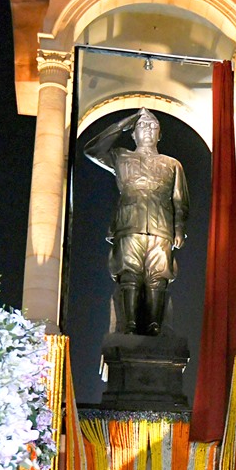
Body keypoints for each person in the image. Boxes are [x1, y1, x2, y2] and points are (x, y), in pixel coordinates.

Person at [84, 108, 189, 336]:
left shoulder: (172, 164)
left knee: (157, 277)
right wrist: (123, 123)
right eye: (141, 126)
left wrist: (179, 228)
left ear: (159, 134)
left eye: (153, 126)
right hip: (129, 224)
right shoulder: (122, 157)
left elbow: (180, 200)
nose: (148, 130)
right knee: (129, 274)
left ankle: (154, 325)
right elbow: (92, 149)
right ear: (133, 133)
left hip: (161, 227)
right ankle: (129, 324)